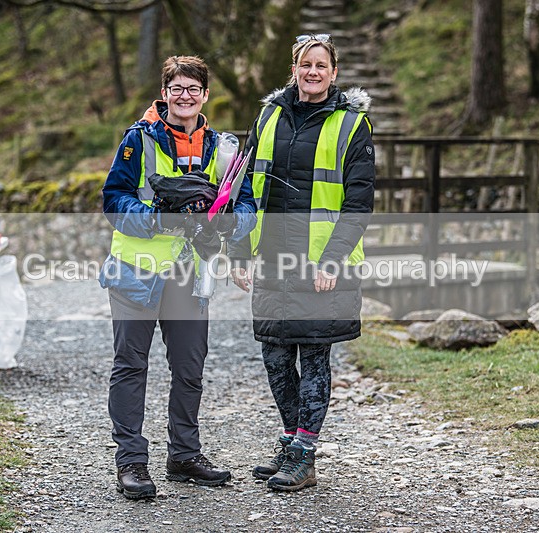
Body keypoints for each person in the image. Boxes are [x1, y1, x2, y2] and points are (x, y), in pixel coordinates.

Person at [99, 55, 256, 500]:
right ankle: (131, 462)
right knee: (131, 366)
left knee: (189, 368)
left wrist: (229, 225)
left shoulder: (224, 149)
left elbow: (246, 206)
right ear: (165, 92)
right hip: (137, 274)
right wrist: (154, 219)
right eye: (177, 88)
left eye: (193, 89)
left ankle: (184, 454)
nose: (184, 96)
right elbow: (113, 200)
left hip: (191, 274)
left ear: (205, 95)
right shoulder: (138, 140)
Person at [229, 33, 375, 491]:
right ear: (292, 68)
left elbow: (358, 202)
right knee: (275, 356)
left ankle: (304, 455)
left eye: (321, 65)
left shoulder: (353, 125)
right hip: (271, 257)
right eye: (304, 64)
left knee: (313, 357)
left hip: (321, 265)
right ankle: (291, 440)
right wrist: (238, 250)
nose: (312, 72)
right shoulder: (268, 115)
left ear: (334, 73)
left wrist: (332, 260)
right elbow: (243, 188)